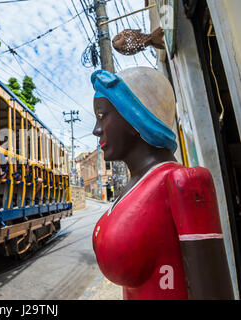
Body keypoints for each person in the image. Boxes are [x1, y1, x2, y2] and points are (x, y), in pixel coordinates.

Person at [91, 67, 234, 300]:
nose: (97, 130)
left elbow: (212, 290)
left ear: (133, 116)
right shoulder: (132, 187)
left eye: (102, 116)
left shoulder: (183, 182)